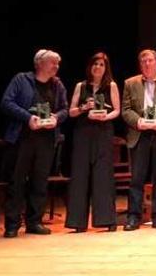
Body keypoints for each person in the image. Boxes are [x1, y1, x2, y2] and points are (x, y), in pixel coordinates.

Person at [0, 49, 68, 238]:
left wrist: (57, 118)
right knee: (17, 181)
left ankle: (34, 222)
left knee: (40, 181)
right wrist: (28, 117)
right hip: (22, 138)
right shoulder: (21, 80)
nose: (56, 66)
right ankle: (12, 224)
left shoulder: (57, 85)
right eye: (53, 62)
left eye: (58, 63)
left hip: (46, 139)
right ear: (39, 63)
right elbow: (6, 102)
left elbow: (65, 109)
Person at [121, 49, 156, 231]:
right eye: (144, 61)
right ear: (140, 64)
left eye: (150, 60)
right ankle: (133, 216)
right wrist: (138, 121)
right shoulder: (130, 83)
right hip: (139, 134)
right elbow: (125, 109)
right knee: (137, 178)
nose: (147, 64)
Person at [65, 52, 120, 232]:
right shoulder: (81, 86)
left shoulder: (111, 85)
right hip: (83, 132)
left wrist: (106, 116)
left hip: (103, 131)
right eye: (95, 64)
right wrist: (83, 107)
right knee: (80, 175)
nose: (98, 67)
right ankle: (77, 222)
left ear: (106, 68)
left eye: (102, 65)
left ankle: (107, 220)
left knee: (103, 175)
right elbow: (71, 111)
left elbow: (117, 111)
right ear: (90, 66)